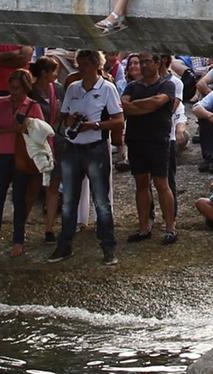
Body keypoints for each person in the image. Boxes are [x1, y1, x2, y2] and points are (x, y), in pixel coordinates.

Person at [53, 48, 124, 265]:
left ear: (95, 65)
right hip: (73, 147)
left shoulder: (108, 88)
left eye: (84, 64)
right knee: (68, 200)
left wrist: (94, 125)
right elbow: (63, 116)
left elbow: (119, 120)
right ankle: (64, 246)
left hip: (96, 147)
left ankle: (108, 248)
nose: (80, 68)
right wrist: (70, 120)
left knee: (101, 200)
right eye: (79, 64)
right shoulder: (73, 87)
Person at [121, 50, 179, 246]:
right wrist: (145, 106)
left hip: (158, 140)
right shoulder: (131, 86)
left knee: (162, 183)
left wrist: (136, 107)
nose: (143, 66)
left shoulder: (167, 84)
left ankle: (170, 227)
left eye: (147, 62)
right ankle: (144, 227)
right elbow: (123, 106)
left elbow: (158, 102)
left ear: (157, 63)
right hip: (136, 139)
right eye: (141, 62)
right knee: (141, 184)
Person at [0, 68, 43, 257]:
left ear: (25, 88)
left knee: (19, 199)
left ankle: (18, 241)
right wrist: (11, 130)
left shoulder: (33, 106)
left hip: (21, 156)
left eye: (17, 88)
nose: (13, 91)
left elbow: (41, 134)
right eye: (11, 87)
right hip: (2, 155)